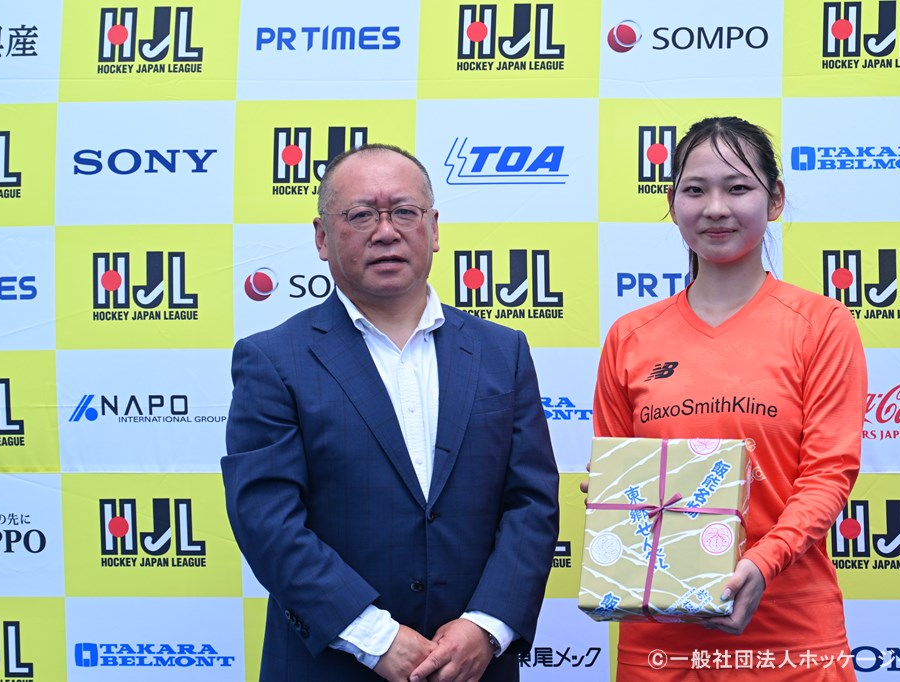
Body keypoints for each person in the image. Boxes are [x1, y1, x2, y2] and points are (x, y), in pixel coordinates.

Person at [222, 143, 560, 682]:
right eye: (360, 215)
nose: (386, 231)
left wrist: (487, 625)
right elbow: (266, 520)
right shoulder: (273, 359)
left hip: (475, 668)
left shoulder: (503, 351)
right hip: (332, 666)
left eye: (404, 211)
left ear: (434, 228)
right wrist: (374, 638)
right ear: (322, 237)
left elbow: (532, 503)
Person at [592, 117, 866, 680]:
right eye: (695, 190)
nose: (716, 207)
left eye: (738, 188)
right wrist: (615, 496)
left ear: (775, 200)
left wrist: (762, 564)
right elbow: (616, 471)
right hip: (659, 640)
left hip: (789, 635)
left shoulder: (821, 325)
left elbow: (828, 475)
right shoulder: (629, 337)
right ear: (672, 205)